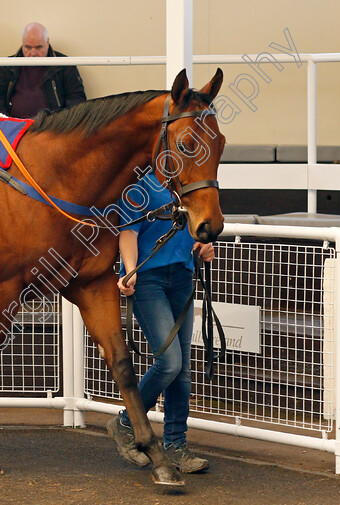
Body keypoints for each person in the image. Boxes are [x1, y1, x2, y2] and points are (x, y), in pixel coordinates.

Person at [108, 170, 214, 474]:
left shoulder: (188, 184)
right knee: (169, 363)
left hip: (181, 276)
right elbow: (127, 231)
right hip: (149, 279)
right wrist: (130, 269)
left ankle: (176, 444)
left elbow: (193, 228)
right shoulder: (138, 186)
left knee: (181, 368)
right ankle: (127, 422)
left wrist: (201, 246)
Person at [0, 22, 86, 118]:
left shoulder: (64, 64)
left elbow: (77, 101)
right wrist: (7, 123)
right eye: (28, 47)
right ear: (22, 44)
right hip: (14, 128)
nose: (33, 53)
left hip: (53, 127)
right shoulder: (7, 66)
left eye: (39, 47)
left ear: (47, 43)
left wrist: (61, 124)